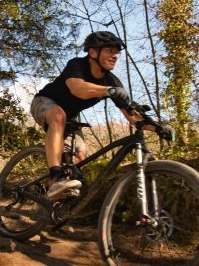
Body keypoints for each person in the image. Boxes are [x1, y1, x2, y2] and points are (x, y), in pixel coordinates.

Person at [30, 31, 156, 200]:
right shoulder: (77, 65)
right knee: (58, 116)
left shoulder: (112, 81)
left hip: (70, 116)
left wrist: (158, 128)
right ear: (93, 52)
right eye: (109, 51)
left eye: (116, 52)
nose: (115, 56)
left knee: (79, 157)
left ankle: (47, 193)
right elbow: (78, 88)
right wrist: (109, 91)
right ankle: (56, 175)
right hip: (44, 102)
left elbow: (133, 117)